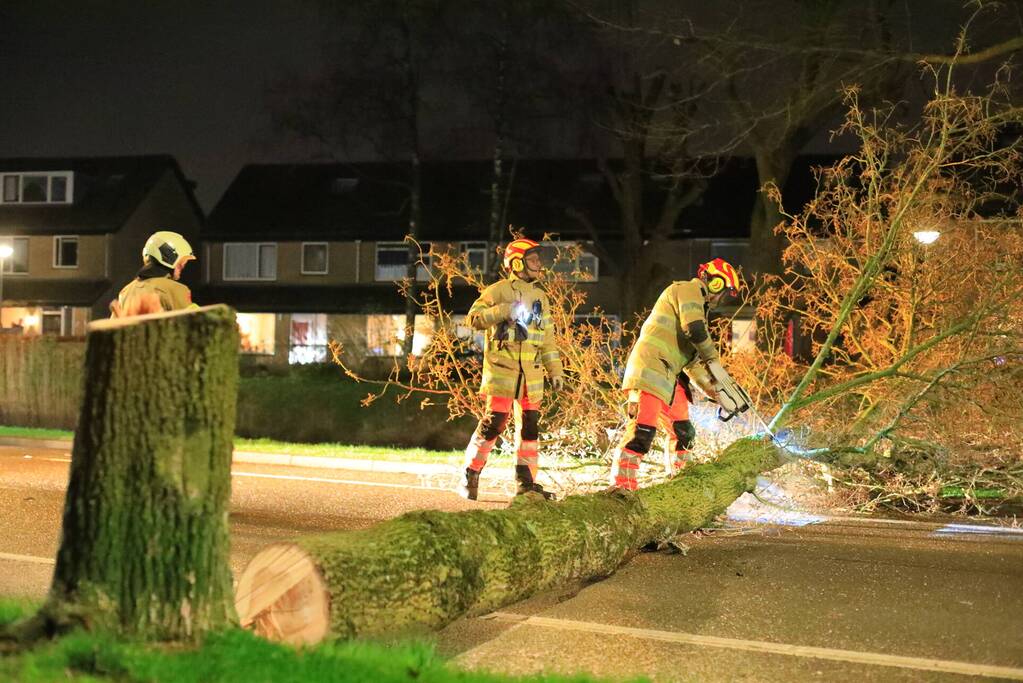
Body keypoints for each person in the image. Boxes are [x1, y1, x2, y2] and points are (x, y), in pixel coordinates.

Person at [611, 257, 749, 491]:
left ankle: (681, 485)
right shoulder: (687, 290)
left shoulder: (698, 311)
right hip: (651, 369)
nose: (719, 298)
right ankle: (621, 488)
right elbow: (694, 329)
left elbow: (693, 364)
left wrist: (717, 391)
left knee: (684, 432)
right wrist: (714, 361)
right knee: (642, 431)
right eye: (722, 291)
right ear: (713, 281)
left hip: (670, 375)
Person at [459, 238, 564, 501]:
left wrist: (556, 370)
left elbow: (547, 339)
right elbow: (473, 319)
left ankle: (525, 484)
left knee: (530, 429)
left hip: (532, 376)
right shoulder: (498, 290)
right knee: (494, 424)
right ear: (516, 262)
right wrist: (504, 310)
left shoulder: (541, 297)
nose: (539, 264)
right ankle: (470, 472)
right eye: (533, 259)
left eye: (538, 259)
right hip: (503, 371)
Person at [110, 231, 198, 318]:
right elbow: (196, 322)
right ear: (169, 257)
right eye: (182, 262)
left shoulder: (126, 291)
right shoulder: (175, 289)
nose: (183, 266)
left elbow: (113, 328)